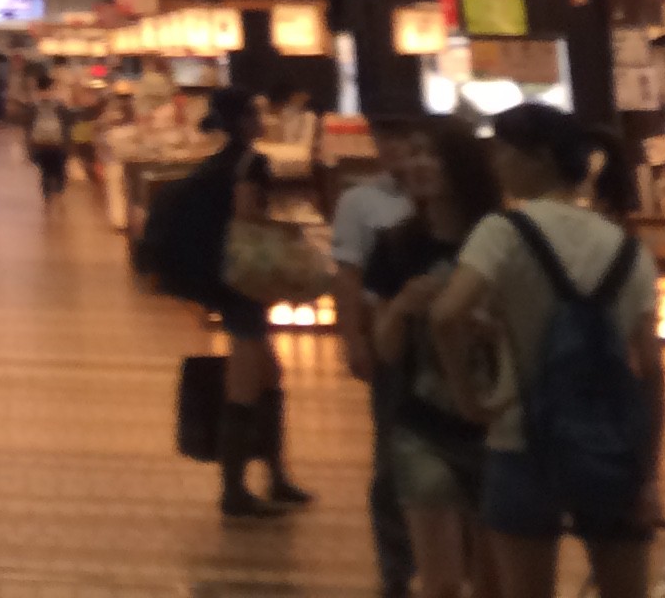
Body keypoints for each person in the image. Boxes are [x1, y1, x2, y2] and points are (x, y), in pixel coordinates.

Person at [431, 105, 665, 598]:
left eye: (502, 151)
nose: (495, 163)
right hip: (611, 446)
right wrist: (646, 472)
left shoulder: (503, 230)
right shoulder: (627, 247)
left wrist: (471, 400)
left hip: (523, 441)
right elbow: (650, 367)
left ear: (538, 157)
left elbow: (446, 315)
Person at [367, 120, 503, 598]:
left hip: (496, 425)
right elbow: (385, 350)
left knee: (493, 580)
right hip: (421, 425)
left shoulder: (500, 240)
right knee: (440, 581)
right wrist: (401, 309)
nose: (420, 165)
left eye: (434, 155)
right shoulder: (396, 245)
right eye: (416, 153)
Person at [193, 84, 313, 519]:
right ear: (244, 120)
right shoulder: (251, 162)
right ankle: (238, 489)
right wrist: (285, 230)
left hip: (226, 277)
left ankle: (273, 476)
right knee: (249, 379)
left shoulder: (214, 161)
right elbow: (246, 214)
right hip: (246, 281)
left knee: (267, 374)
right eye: (256, 114)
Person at [332, 117, 426, 598]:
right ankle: (397, 569)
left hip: (445, 341)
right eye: (386, 140)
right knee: (392, 452)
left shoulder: (447, 198)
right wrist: (353, 339)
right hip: (390, 336)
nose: (397, 150)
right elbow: (348, 276)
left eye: (405, 140)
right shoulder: (360, 201)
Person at [22, 74, 72, 203]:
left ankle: (49, 199)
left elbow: (27, 126)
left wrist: (28, 148)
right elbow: (67, 123)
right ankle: (58, 197)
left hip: (40, 143)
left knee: (45, 172)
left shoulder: (33, 105)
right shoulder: (59, 104)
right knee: (58, 171)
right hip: (57, 142)